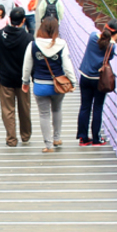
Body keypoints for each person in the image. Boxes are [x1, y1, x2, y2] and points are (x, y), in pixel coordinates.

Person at [22, 16, 76, 153]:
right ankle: (57, 138)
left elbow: (27, 67)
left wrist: (25, 81)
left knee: (44, 114)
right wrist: (73, 81)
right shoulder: (62, 44)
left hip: (40, 85)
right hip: (58, 85)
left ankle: (48, 145)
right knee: (57, 110)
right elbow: (67, 65)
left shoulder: (33, 45)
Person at [0, 7, 32, 147]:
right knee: (24, 108)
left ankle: (11, 139)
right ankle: (25, 135)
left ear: (10, 19)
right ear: (23, 20)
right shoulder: (28, 38)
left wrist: (3, 58)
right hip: (23, 80)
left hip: (5, 78)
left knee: (8, 110)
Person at [77, 18, 117, 146]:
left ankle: (83, 138)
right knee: (97, 108)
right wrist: (114, 39)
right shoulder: (111, 46)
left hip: (85, 76)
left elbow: (100, 37)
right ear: (116, 33)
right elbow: (109, 56)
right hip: (99, 80)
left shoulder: (92, 37)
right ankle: (96, 139)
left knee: (85, 107)